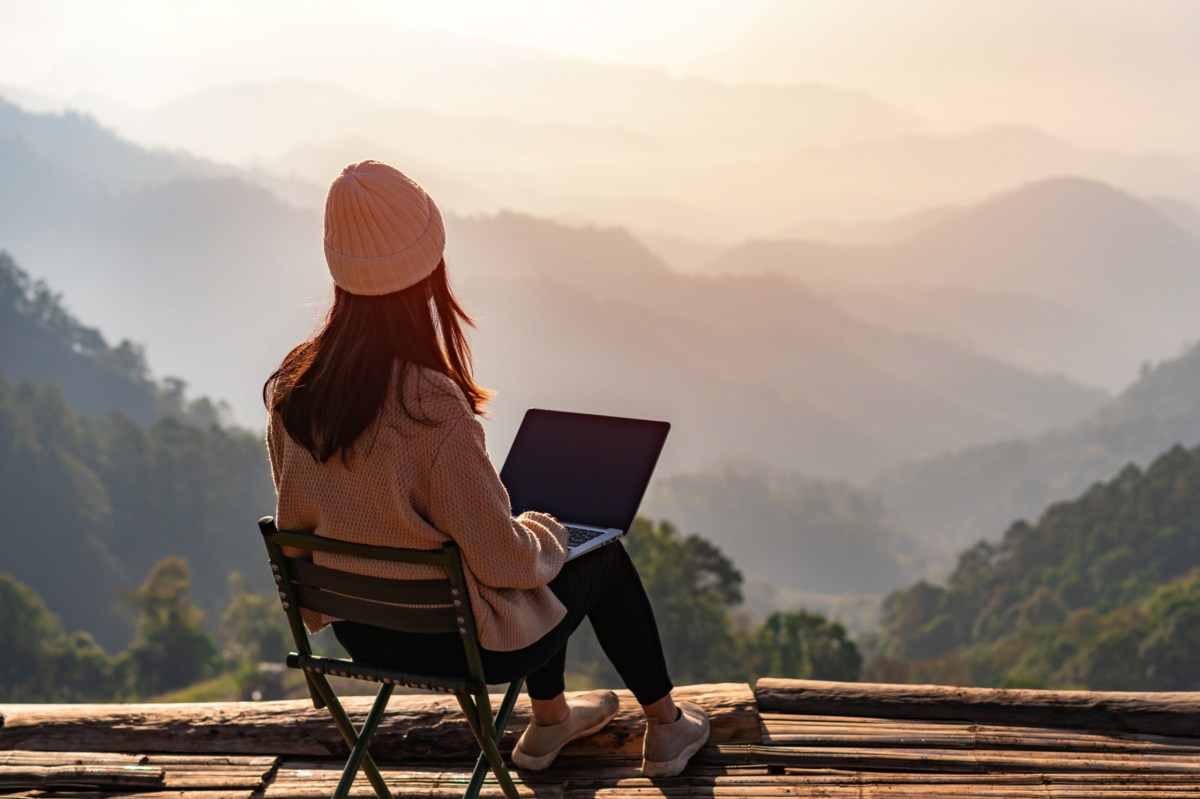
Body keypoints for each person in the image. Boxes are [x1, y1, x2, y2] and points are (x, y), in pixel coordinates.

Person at [263, 160, 710, 777]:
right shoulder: (429, 406)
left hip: (361, 633)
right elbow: (503, 562)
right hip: (461, 645)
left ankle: (551, 721)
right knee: (595, 556)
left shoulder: (295, 392)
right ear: (430, 268)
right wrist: (545, 533)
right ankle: (666, 728)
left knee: (535, 551)